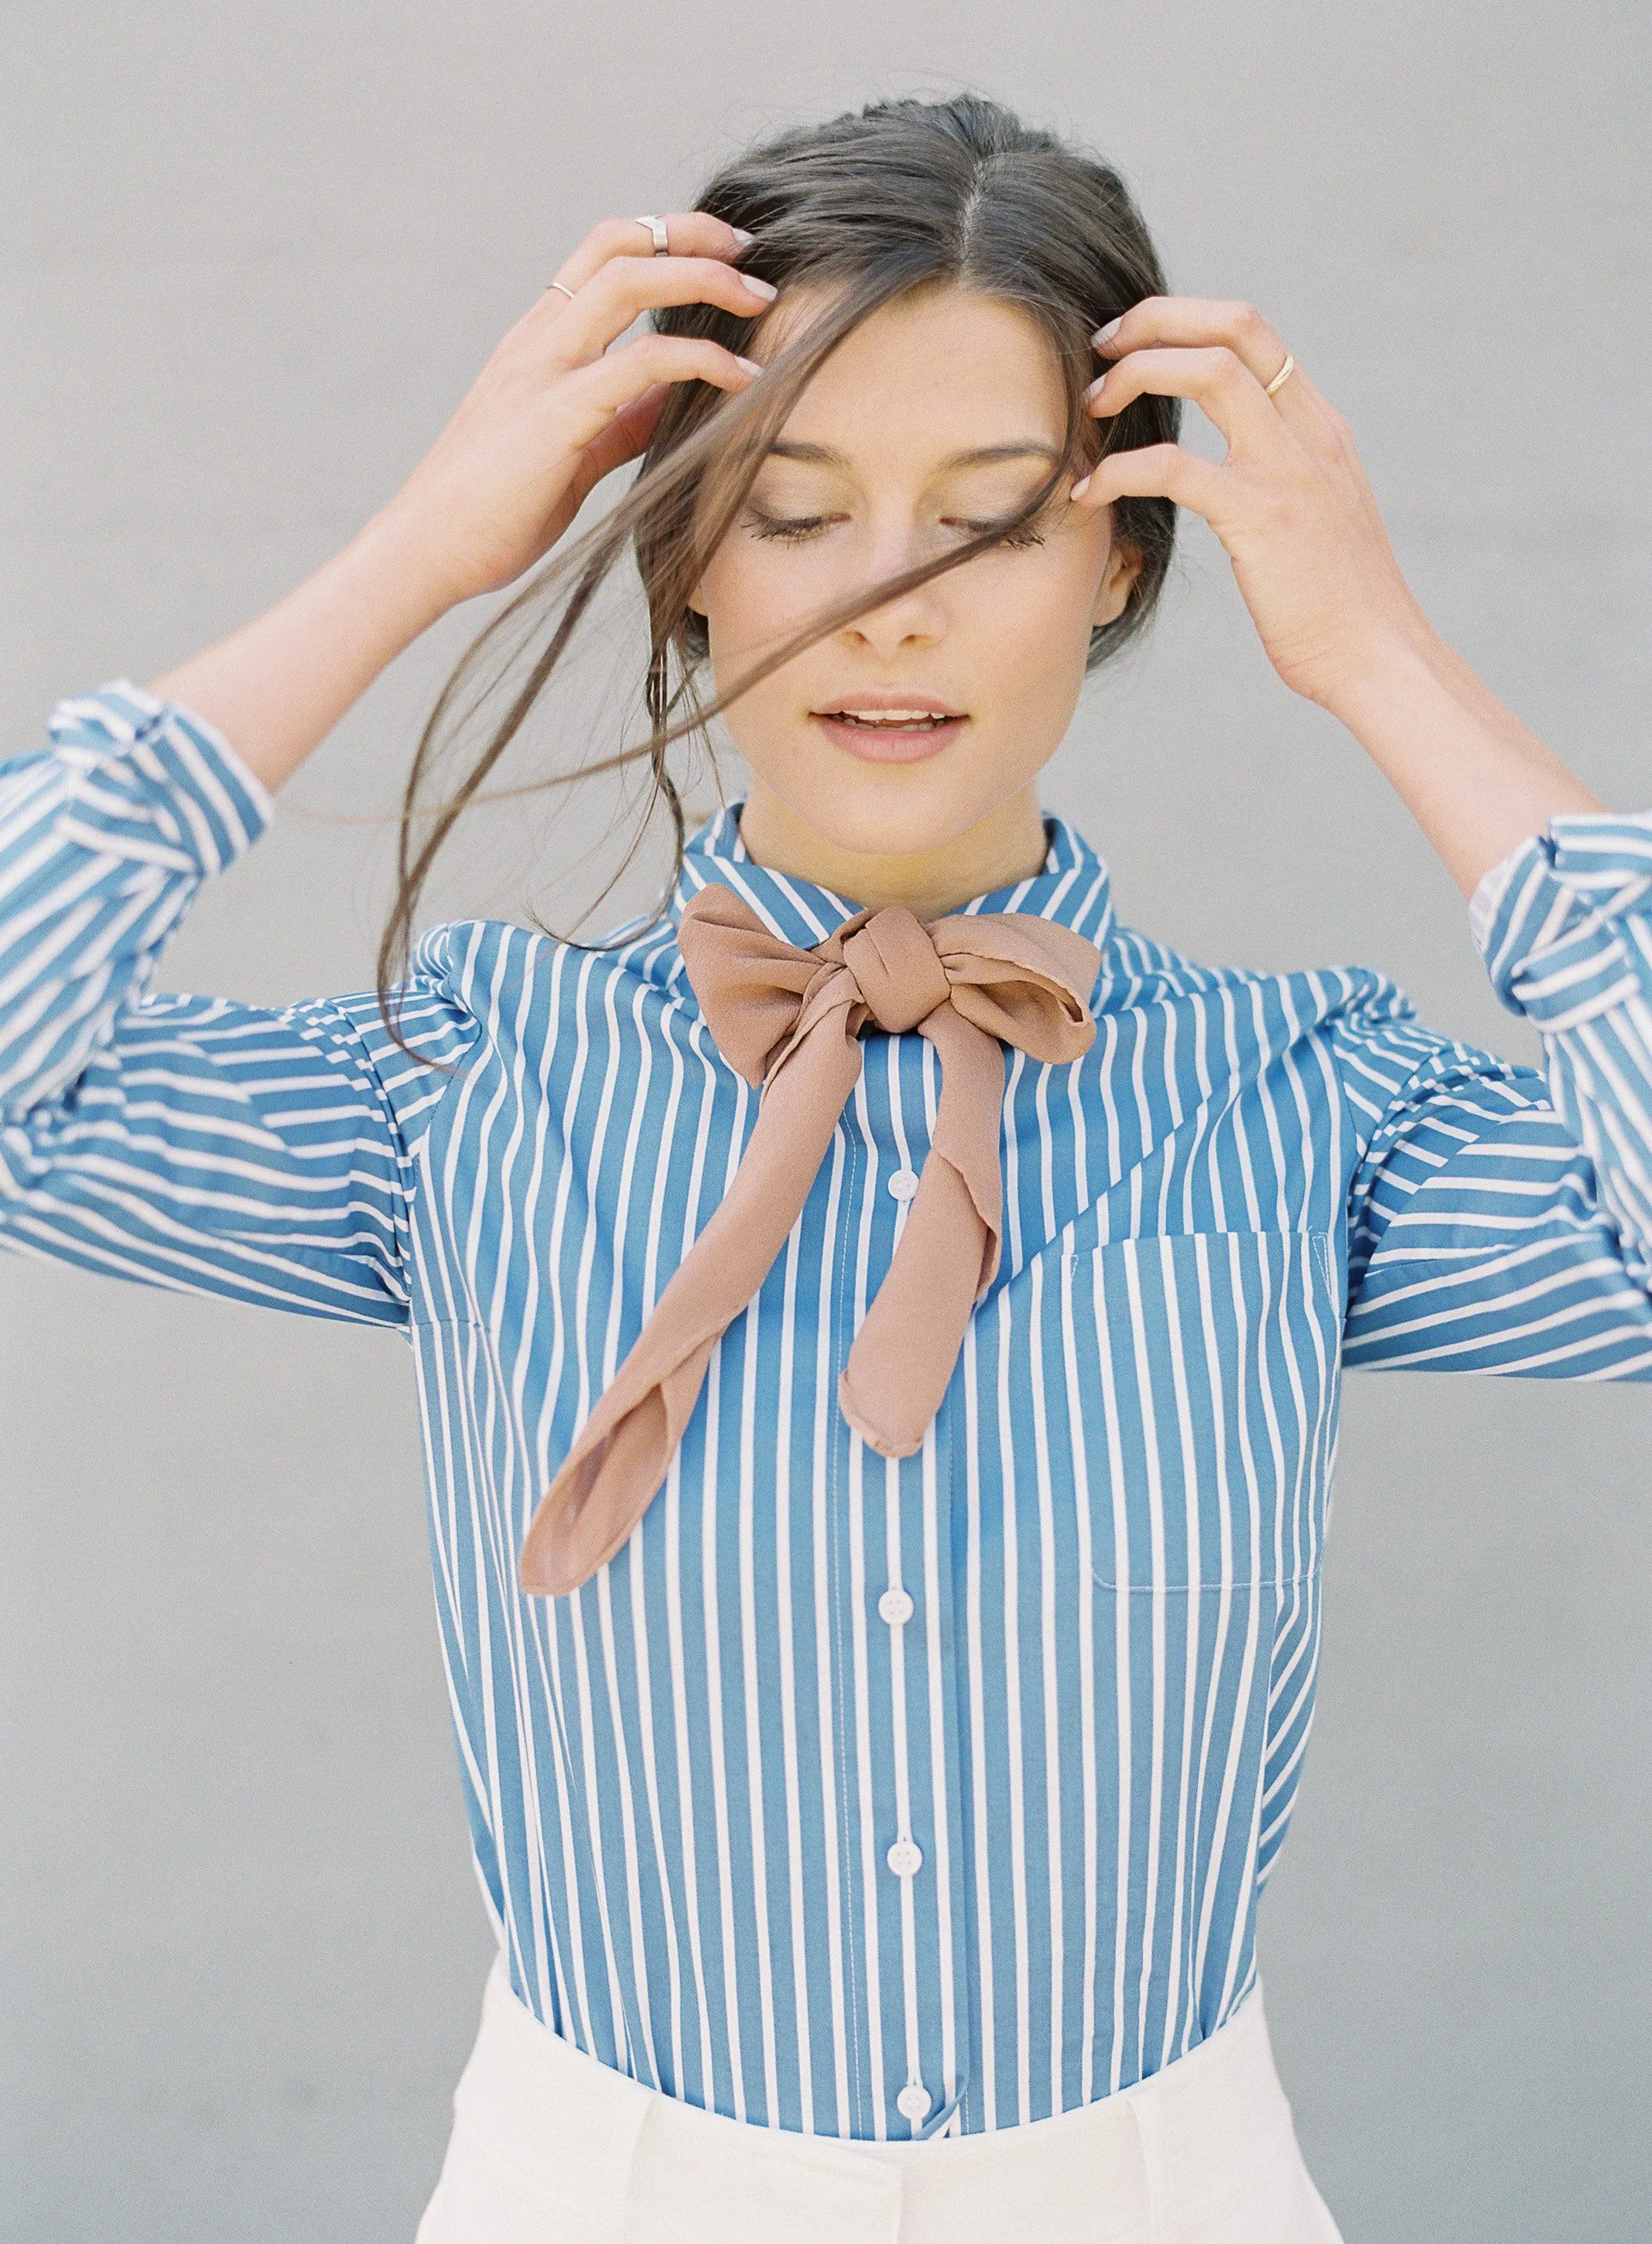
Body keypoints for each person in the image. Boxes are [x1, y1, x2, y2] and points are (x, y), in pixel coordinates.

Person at [3, 90, 1647, 2244]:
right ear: (683, 552)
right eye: (788, 511)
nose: (888, 606)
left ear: (1122, 554)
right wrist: (425, 542)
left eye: (991, 518)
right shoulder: (476, 1075)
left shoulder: (1298, 1100)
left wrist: (1380, 657)